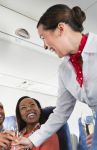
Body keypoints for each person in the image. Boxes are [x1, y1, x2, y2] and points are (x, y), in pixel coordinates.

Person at [12, 4, 97, 149]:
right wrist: (32, 140)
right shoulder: (63, 70)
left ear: (61, 29)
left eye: (43, 37)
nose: (44, 46)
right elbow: (61, 113)